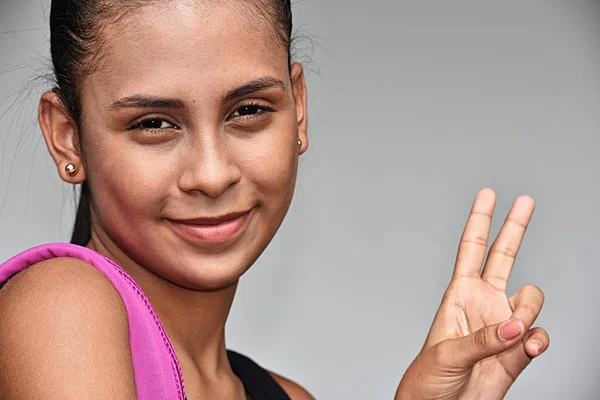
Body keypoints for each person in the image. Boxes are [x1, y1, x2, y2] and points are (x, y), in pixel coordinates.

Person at [0, 1, 549, 398]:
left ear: (298, 108)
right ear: (67, 136)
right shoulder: (61, 309)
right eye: (153, 123)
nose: (212, 175)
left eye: (248, 111)